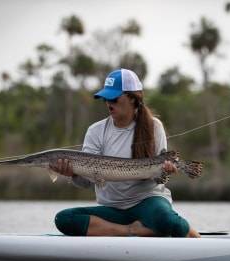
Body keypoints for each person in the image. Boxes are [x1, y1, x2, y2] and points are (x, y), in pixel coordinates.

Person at [50, 68, 200, 238]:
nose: (108, 103)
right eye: (105, 98)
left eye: (113, 98)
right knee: (64, 219)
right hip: (112, 209)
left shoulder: (154, 126)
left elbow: (158, 177)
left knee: (166, 220)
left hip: (148, 202)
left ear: (133, 98)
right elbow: (86, 183)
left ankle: (188, 234)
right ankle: (135, 230)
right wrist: (72, 174)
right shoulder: (95, 131)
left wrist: (166, 170)